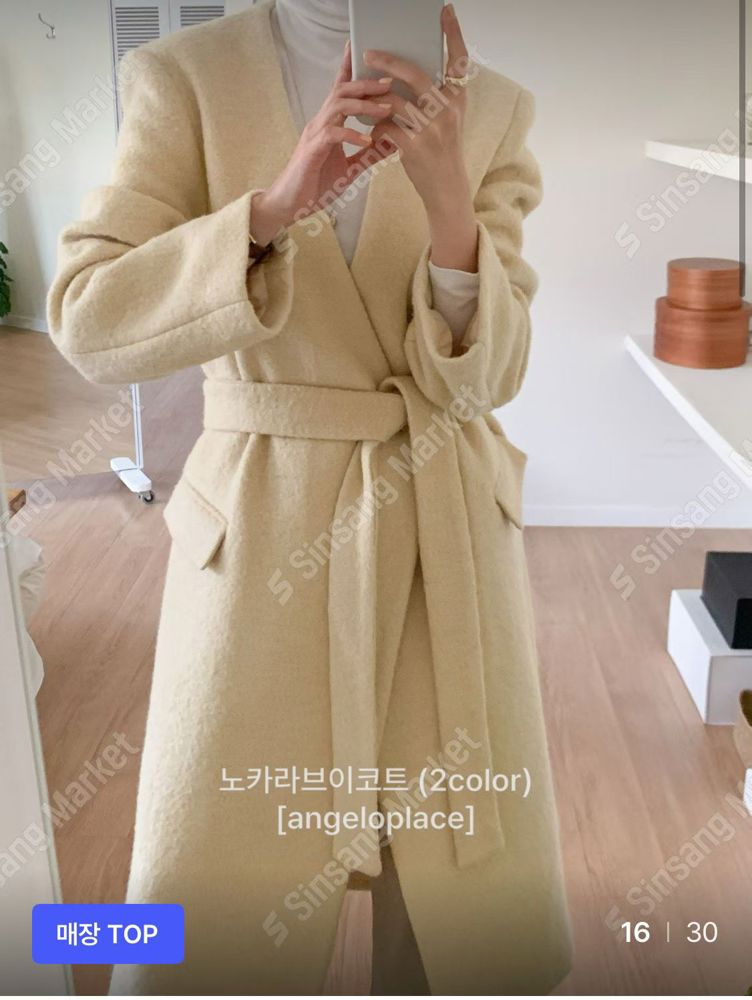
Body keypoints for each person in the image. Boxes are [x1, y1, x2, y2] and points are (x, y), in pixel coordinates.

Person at [47, 0, 573, 993]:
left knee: (453, 900)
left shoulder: (494, 108)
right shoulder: (185, 78)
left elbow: (493, 374)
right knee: (218, 895)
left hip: (444, 529)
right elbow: (88, 315)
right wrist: (273, 207)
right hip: (264, 521)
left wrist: (449, 206)